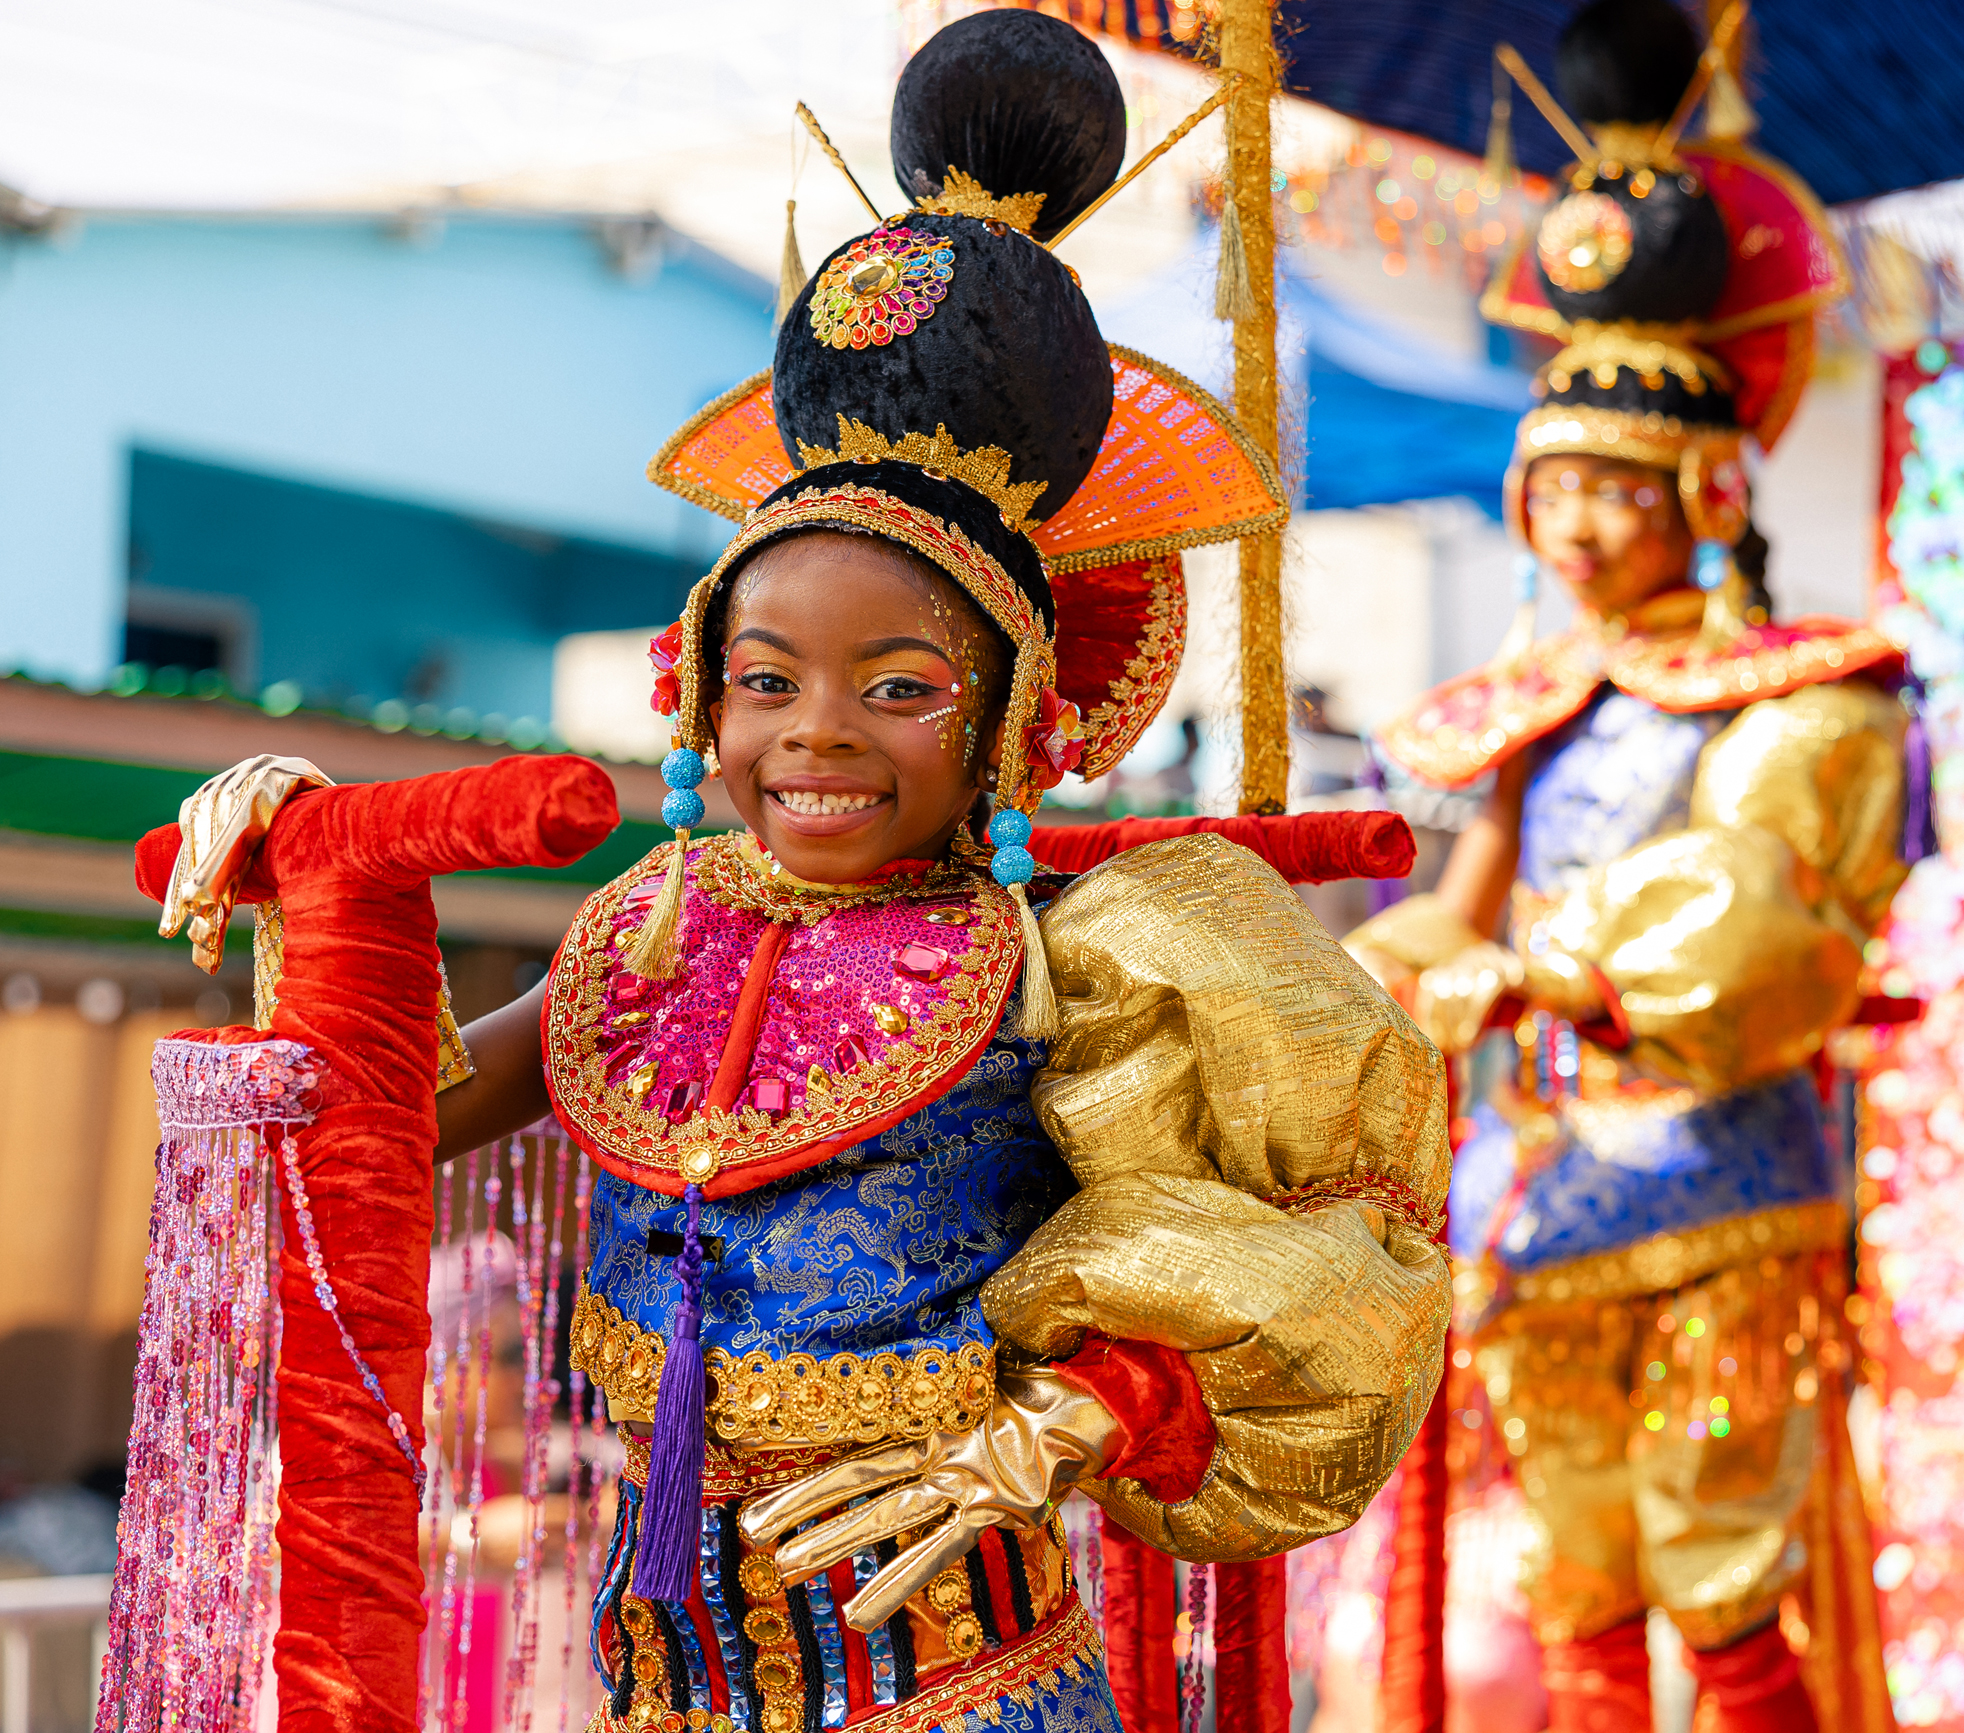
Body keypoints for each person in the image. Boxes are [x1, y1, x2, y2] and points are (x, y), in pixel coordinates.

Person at [190, 15, 1451, 1730]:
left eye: (899, 688)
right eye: (767, 679)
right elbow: (383, 1124)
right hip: (666, 1689)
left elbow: (1349, 1259)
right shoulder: (645, 932)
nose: (817, 734)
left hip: (965, 1684)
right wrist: (310, 861)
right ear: (701, 690)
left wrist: (1069, 1421)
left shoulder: (1078, 953)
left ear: (1008, 717)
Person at [1345, 5, 1918, 1731]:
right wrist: (1374, 975)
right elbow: (1471, 896)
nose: (1580, 527)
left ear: (1709, 483)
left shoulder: (1815, 694)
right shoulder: (1526, 708)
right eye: (1556, 486)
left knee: (1717, 1561)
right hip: (1534, 1189)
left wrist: (1543, 972)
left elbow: (1762, 913)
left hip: (1722, 1186)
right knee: (1578, 1562)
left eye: (1619, 486)